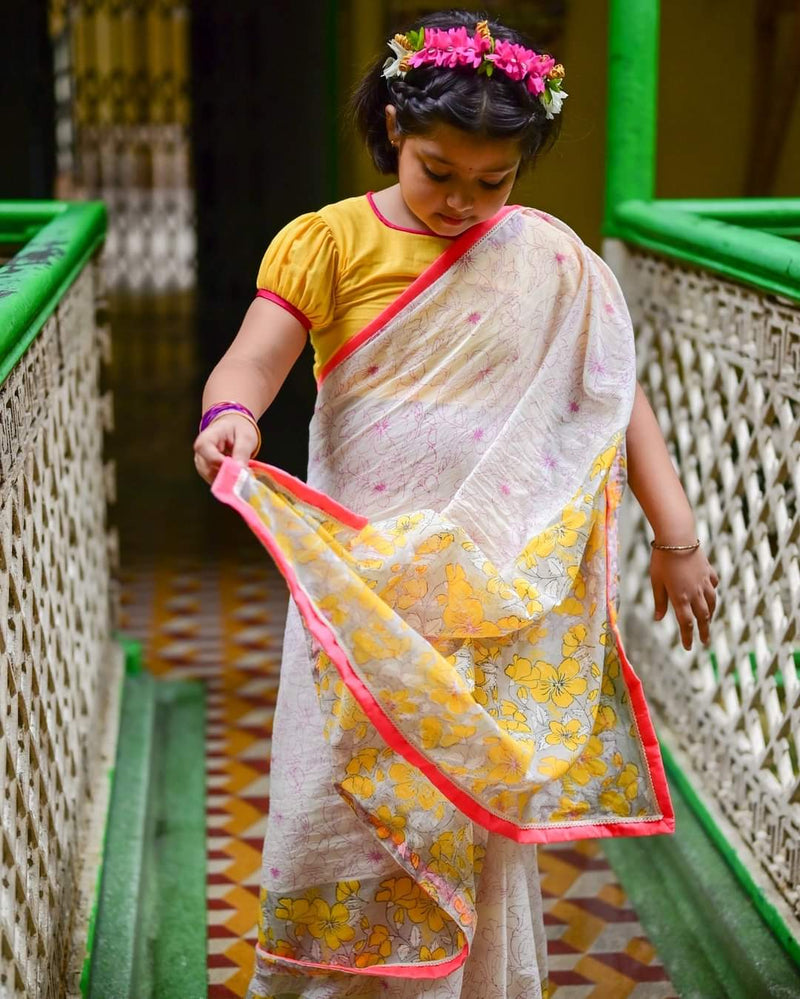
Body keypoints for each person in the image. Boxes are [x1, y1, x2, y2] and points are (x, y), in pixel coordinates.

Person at [193, 11, 719, 998]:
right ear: (394, 127)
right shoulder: (327, 241)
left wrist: (674, 535)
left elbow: (614, 395)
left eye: (492, 182)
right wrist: (230, 415)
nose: (460, 202)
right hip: (360, 591)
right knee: (330, 796)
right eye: (437, 172)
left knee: (462, 814)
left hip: (488, 594)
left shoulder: (552, 261)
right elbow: (253, 360)